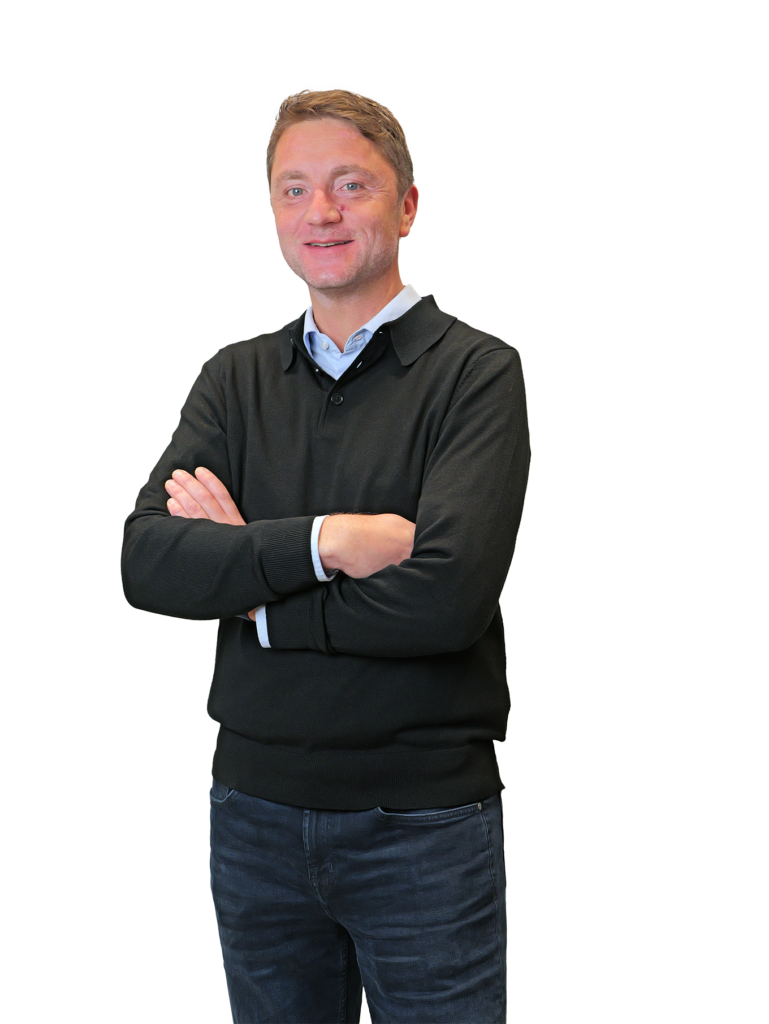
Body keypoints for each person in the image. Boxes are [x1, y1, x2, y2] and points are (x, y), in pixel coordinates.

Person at [121, 85, 530, 1024]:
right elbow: (147, 561)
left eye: (352, 184)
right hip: (250, 813)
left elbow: (446, 600)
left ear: (408, 205)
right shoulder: (233, 376)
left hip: (421, 825)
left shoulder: (477, 373)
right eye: (294, 189)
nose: (321, 212)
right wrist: (326, 542)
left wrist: (250, 588)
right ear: (272, 210)